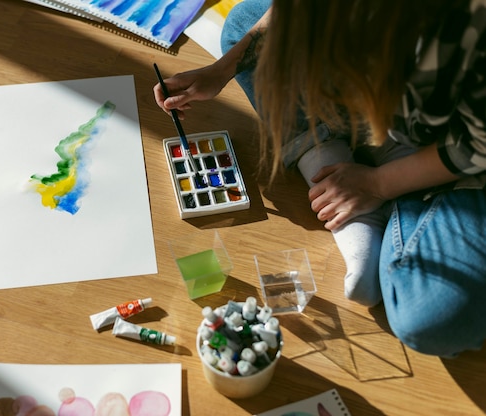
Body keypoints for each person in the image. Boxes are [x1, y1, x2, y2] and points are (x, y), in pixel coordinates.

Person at [153, 0, 486, 357]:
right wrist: (222, 70)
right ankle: (359, 176)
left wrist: (378, 184)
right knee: (245, 24)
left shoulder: (468, 25)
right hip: (404, 107)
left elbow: (474, 143)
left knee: (430, 318)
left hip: (463, 146)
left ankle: (405, 183)